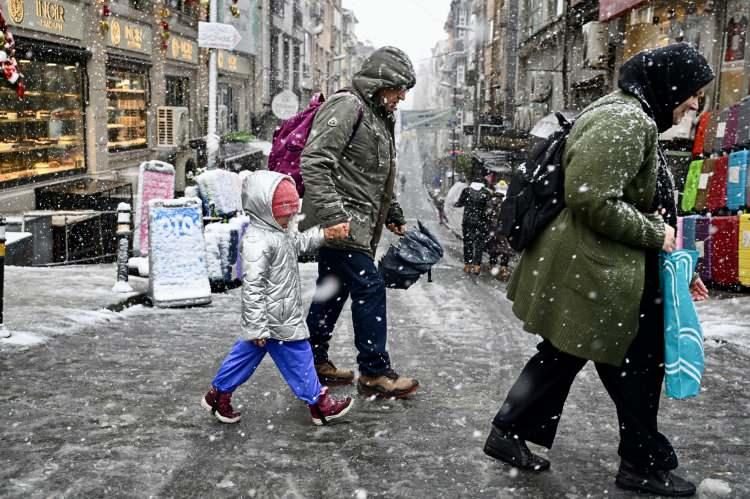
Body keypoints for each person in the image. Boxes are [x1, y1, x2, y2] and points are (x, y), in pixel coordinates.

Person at [483, 43, 713, 497]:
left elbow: (639, 199)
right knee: (634, 366)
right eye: (692, 93)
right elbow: (591, 197)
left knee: (573, 356)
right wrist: (654, 233)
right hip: (597, 270)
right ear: (670, 85)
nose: (694, 104)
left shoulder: (633, 115)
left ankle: (512, 431)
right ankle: (641, 461)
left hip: (606, 267)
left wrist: (675, 266)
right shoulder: (623, 119)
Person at [299, 46, 420, 399]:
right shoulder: (347, 106)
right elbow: (315, 161)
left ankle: (312, 357)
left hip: (361, 223)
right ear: (381, 82)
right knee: (369, 286)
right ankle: (374, 370)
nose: (401, 97)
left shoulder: (379, 118)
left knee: (333, 289)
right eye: (398, 88)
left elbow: (374, 176)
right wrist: (334, 215)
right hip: (342, 222)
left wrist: (393, 212)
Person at [201, 171, 354, 426]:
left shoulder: (278, 233)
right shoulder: (257, 241)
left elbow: (298, 245)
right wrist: (258, 326)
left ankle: (218, 394)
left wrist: (324, 234)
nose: (289, 219)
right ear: (264, 210)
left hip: (276, 315)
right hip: (276, 319)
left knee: (243, 358)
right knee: (300, 356)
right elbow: (252, 287)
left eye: (291, 214)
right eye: (284, 214)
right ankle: (319, 404)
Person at [454, 177, 492, 275]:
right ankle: (477, 266)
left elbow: (459, 203)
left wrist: (456, 203)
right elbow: (489, 208)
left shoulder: (466, 191)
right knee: (479, 243)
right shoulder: (486, 193)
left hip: (468, 221)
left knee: (468, 242)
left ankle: (468, 265)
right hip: (481, 222)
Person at [484, 182, 513, 281]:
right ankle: (503, 267)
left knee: (494, 247)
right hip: (504, 229)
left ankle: (493, 264)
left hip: (495, 229)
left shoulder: (492, 201)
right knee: (505, 249)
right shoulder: (509, 201)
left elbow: (487, 215)